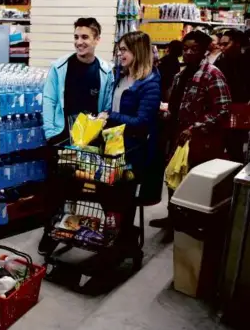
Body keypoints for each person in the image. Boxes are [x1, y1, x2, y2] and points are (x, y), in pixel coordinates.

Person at [37, 17, 114, 255]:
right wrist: (51, 133)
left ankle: (92, 233)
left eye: (85, 37)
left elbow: (107, 105)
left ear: (97, 40)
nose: (79, 42)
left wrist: (102, 119)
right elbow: (49, 100)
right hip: (62, 138)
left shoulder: (105, 71)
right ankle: (49, 233)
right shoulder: (60, 67)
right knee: (55, 190)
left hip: (90, 140)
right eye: (76, 37)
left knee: (89, 189)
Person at [149, 31, 232, 242]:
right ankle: (172, 218)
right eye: (185, 48)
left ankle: (186, 226)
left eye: (194, 49)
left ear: (205, 51)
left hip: (198, 141)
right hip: (176, 136)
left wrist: (195, 127)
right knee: (173, 178)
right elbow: (176, 106)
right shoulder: (181, 74)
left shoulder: (212, 74)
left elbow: (223, 109)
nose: (187, 52)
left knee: (189, 183)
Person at [100, 31, 161, 205]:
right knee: (106, 195)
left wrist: (110, 116)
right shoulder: (120, 76)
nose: (120, 54)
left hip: (132, 150)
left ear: (138, 50)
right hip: (112, 145)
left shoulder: (150, 83)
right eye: (119, 49)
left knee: (123, 199)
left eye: (124, 50)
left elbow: (141, 122)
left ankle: (124, 231)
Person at [215, 30, 250, 162]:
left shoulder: (246, 60)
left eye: (225, 44)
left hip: (243, 111)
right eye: (220, 44)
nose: (221, 47)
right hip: (223, 111)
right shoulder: (220, 63)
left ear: (237, 43)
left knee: (237, 146)